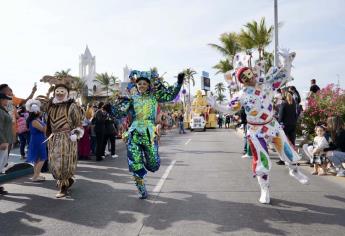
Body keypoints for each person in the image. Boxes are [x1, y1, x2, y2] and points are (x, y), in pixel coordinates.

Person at [209, 50, 308, 204]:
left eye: (250, 74)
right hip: (255, 130)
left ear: (253, 73)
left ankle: (294, 170)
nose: (249, 78)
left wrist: (287, 63)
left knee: (289, 152)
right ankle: (264, 189)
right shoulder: (241, 95)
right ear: (241, 81)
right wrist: (216, 105)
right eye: (245, 77)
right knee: (262, 161)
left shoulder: (267, 85)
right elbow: (229, 109)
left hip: (272, 125)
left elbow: (283, 78)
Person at [114, 70, 184, 199]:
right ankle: (142, 189)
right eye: (139, 83)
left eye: (144, 84)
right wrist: (115, 106)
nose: (141, 86)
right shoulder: (131, 99)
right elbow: (118, 113)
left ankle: (146, 161)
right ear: (136, 85)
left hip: (149, 133)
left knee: (154, 165)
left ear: (148, 85)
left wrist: (179, 83)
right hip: (134, 133)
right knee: (135, 163)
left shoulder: (154, 97)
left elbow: (170, 95)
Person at [41, 75, 84, 198]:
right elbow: (43, 112)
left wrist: (76, 133)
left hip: (67, 138)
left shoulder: (72, 106)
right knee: (54, 163)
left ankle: (63, 187)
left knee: (64, 162)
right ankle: (68, 180)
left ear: (67, 93)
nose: (59, 93)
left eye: (62, 91)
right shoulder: (51, 105)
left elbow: (78, 123)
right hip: (54, 138)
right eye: (57, 91)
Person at [26, 99, 47, 181]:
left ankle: (36, 175)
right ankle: (35, 176)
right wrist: (47, 123)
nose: (41, 111)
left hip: (39, 139)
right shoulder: (34, 121)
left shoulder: (36, 120)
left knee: (38, 159)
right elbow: (43, 130)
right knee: (42, 158)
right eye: (39, 110)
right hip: (38, 140)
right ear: (36, 111)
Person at [0, 93, 13, 195]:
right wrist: (2, 141)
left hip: (5, 140)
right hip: (2, 142)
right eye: (5, 99)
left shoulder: (3, 110)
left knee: (1, 165)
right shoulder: (0, 111)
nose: (7, 101)